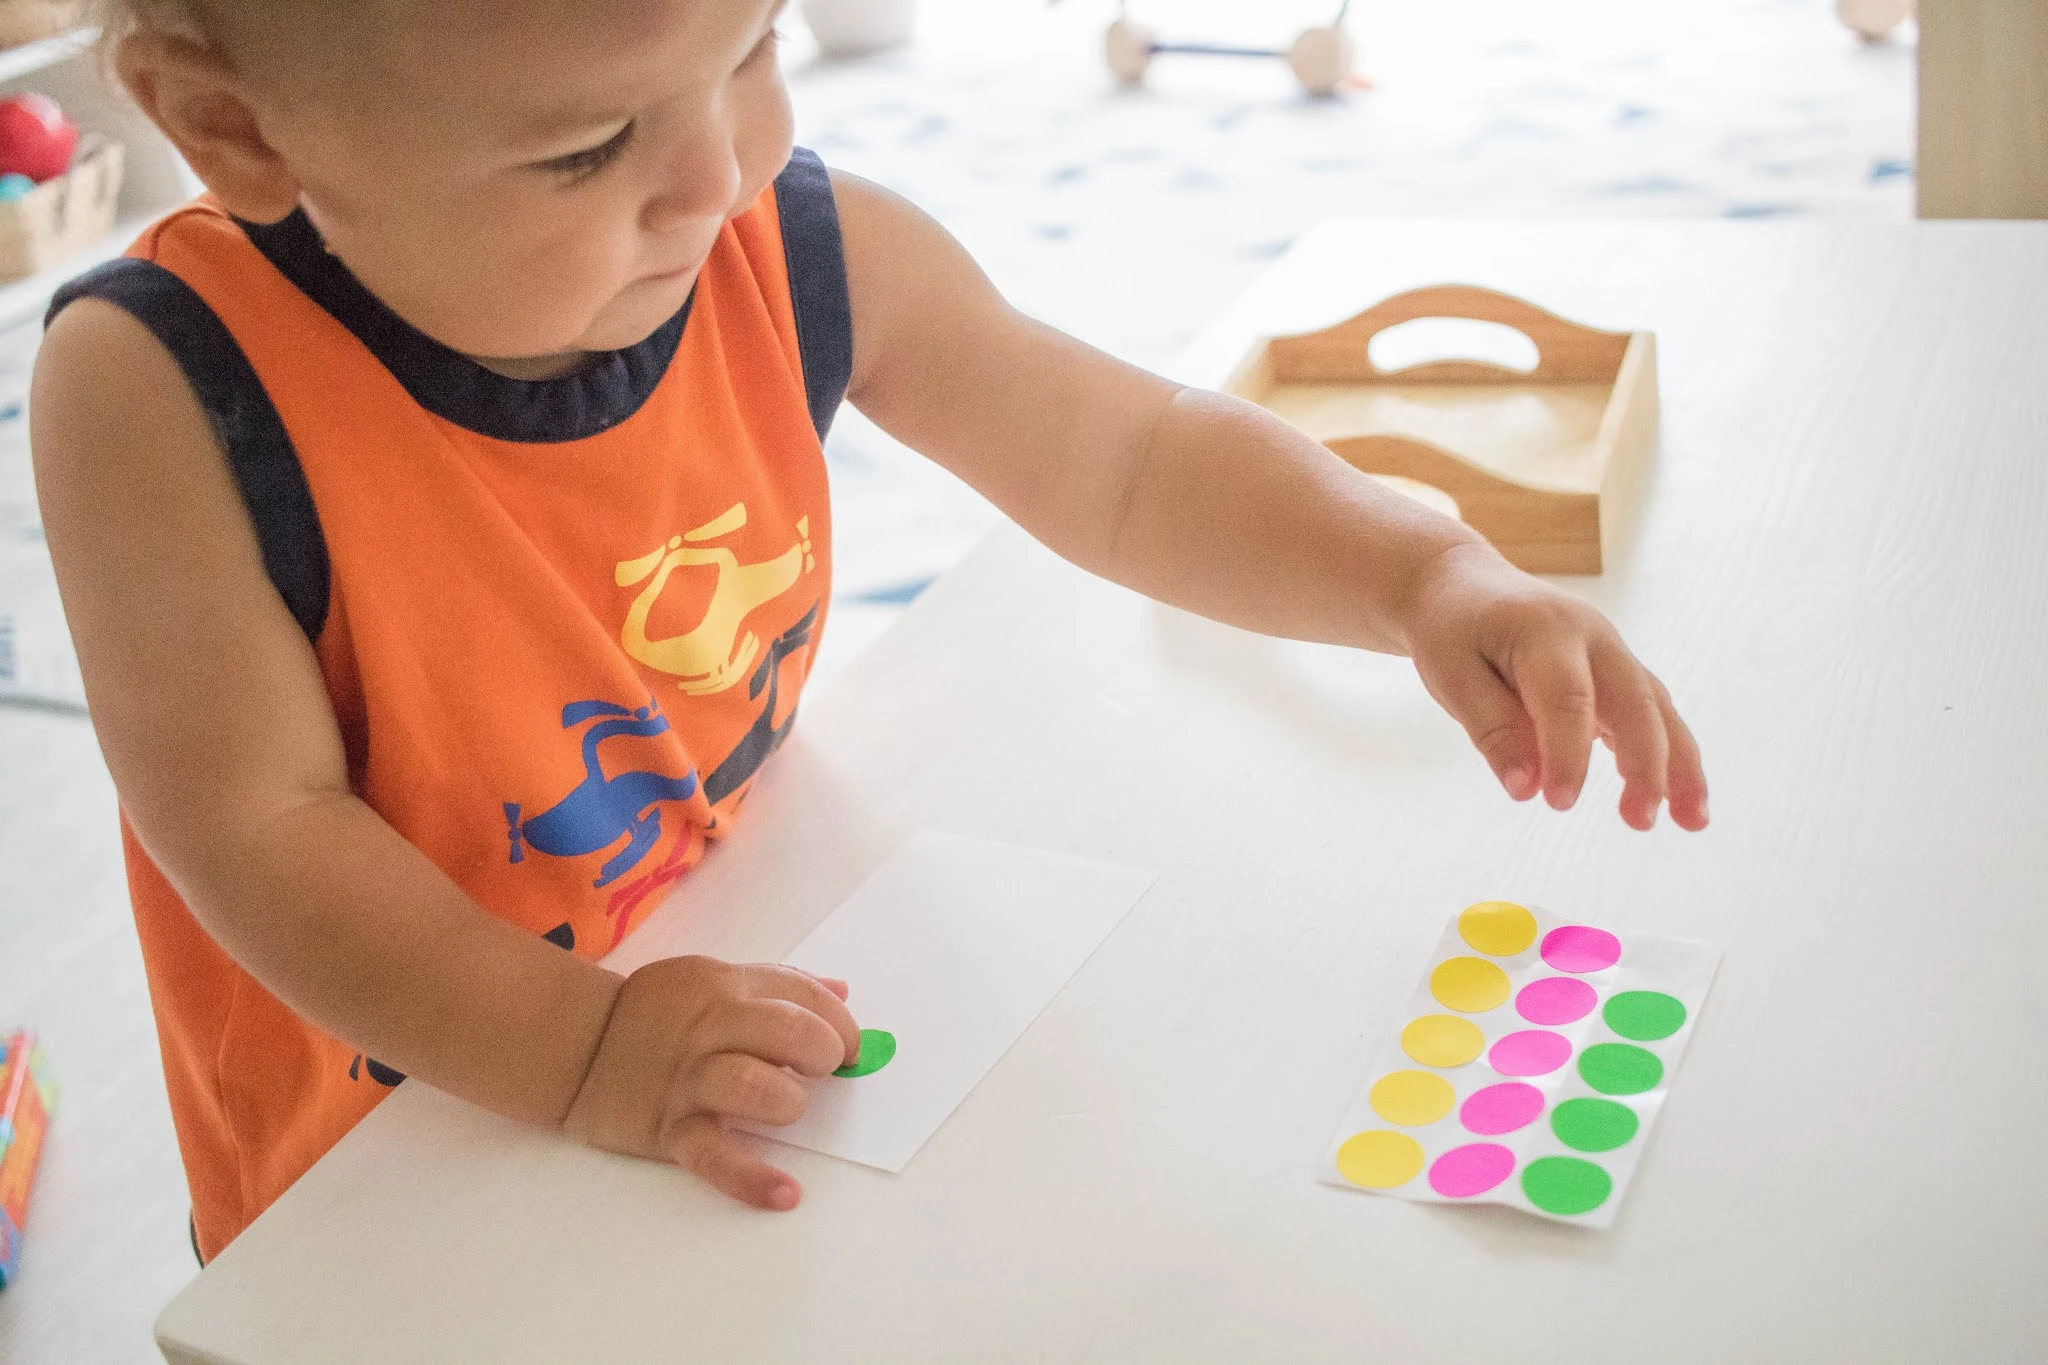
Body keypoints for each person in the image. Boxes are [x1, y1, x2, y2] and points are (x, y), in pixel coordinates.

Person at [32, 0, 1708, 1261]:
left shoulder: (790, 240)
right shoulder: (156, 390)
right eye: (584, 148)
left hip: (718, 986)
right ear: (234, 131)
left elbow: (1125, 456)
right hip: (395, 1147)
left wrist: (1420, 573)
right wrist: (587, 1051)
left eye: (756, 46)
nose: (721, 171)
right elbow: (255, 835)